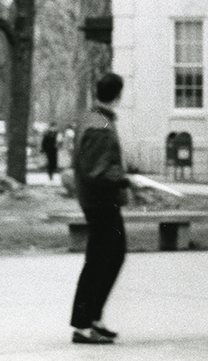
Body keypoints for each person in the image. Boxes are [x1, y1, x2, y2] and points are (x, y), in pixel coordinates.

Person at [70, 73, 133, 345]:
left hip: (99, 200)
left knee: (112, 256)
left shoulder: (93, 117)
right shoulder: (100, 124)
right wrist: (126, 180)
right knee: (100, 260)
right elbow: (97, 170)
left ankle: (93, 318)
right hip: (101, 201)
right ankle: (84, 324)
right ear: (118, 95)